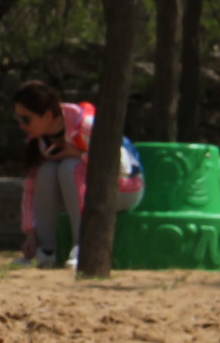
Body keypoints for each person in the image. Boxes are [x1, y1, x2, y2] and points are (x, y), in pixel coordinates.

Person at [12, 78, 145, 270]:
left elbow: (123, 167)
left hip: (123, 189)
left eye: (26, 119)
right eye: (18, 119)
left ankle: (82, 246)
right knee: (47, 171)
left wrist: (79, 154)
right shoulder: (39, 140)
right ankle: (45, 250)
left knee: (69, 167)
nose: (21, 125)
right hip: (81, 191)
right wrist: (30, 232)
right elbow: (31, 187)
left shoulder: (85, 125)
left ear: (48, 116)